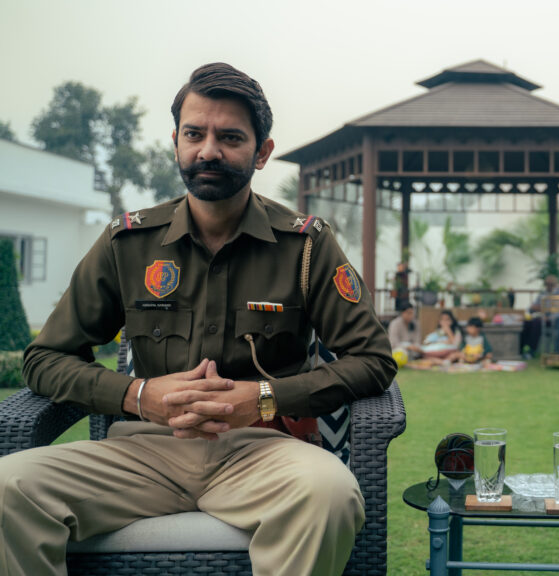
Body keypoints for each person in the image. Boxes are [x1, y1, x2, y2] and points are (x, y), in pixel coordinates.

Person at [0, 62, 397, 576]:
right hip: (145, 452)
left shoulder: (306, 245)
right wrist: (138, 395)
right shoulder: (128, 243)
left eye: (230, 137)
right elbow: (44, 359)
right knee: (8, 488)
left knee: (330, 493)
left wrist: (264, 397)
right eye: (194, 134)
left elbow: (373, 360)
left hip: (264, 452)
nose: (208, 150)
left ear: (262, 152)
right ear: (176, 143)